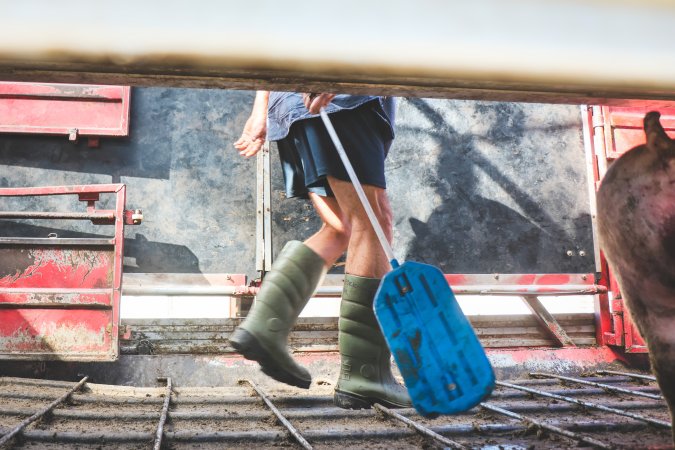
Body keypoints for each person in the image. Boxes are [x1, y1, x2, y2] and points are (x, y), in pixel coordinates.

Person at [230, 91, 411, 409]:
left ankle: (264, 327)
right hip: (340, 99)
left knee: (343, 227)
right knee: (372, 223)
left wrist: (261, 110)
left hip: (296, 107)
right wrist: (332, 71)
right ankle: (366, 375)